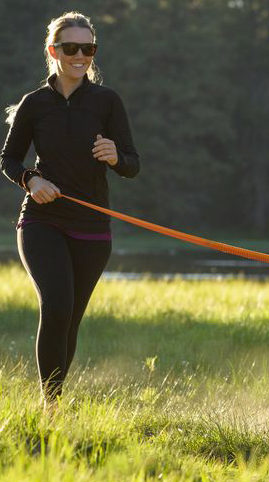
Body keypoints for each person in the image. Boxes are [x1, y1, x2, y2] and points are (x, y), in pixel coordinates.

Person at [0, 11, 140, 409]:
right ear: (53, 50)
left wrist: (115, 157)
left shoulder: (107, 101)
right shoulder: (34, 104)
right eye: (71, 47)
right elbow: (8, 160)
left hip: (93, 227)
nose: (80, 55)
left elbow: (133, 163)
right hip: (42, 221)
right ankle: (52, 406)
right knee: (57, 305)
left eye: (88, 48)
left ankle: (54, 400)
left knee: (70, 319)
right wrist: (32, 180)